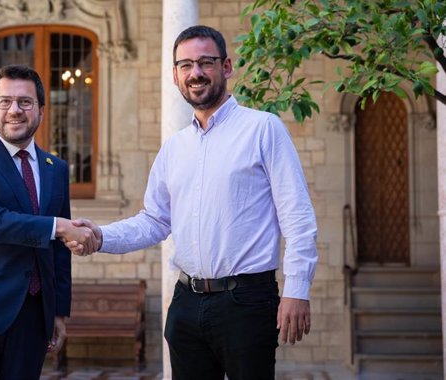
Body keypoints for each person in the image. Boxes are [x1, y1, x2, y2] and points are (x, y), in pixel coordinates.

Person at [68, 25, 318, 380]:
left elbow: (298, 218)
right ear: (175, 75)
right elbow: (154, 220)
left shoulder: (264, 129)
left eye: (205, 62)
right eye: (185, 65)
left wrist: (297, 289)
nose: (195, 73)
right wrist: (100, 236)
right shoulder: (174, 147)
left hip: (246, 301)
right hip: (186, 303)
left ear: (227, 67)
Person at [0, 64, 98, 380]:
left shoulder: (57, 168)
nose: (15, 110)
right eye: (5, 101)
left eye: (25, 102)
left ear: (40, 109)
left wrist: (58, 311)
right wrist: (58, 226)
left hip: (32, 316)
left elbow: (59, 252)